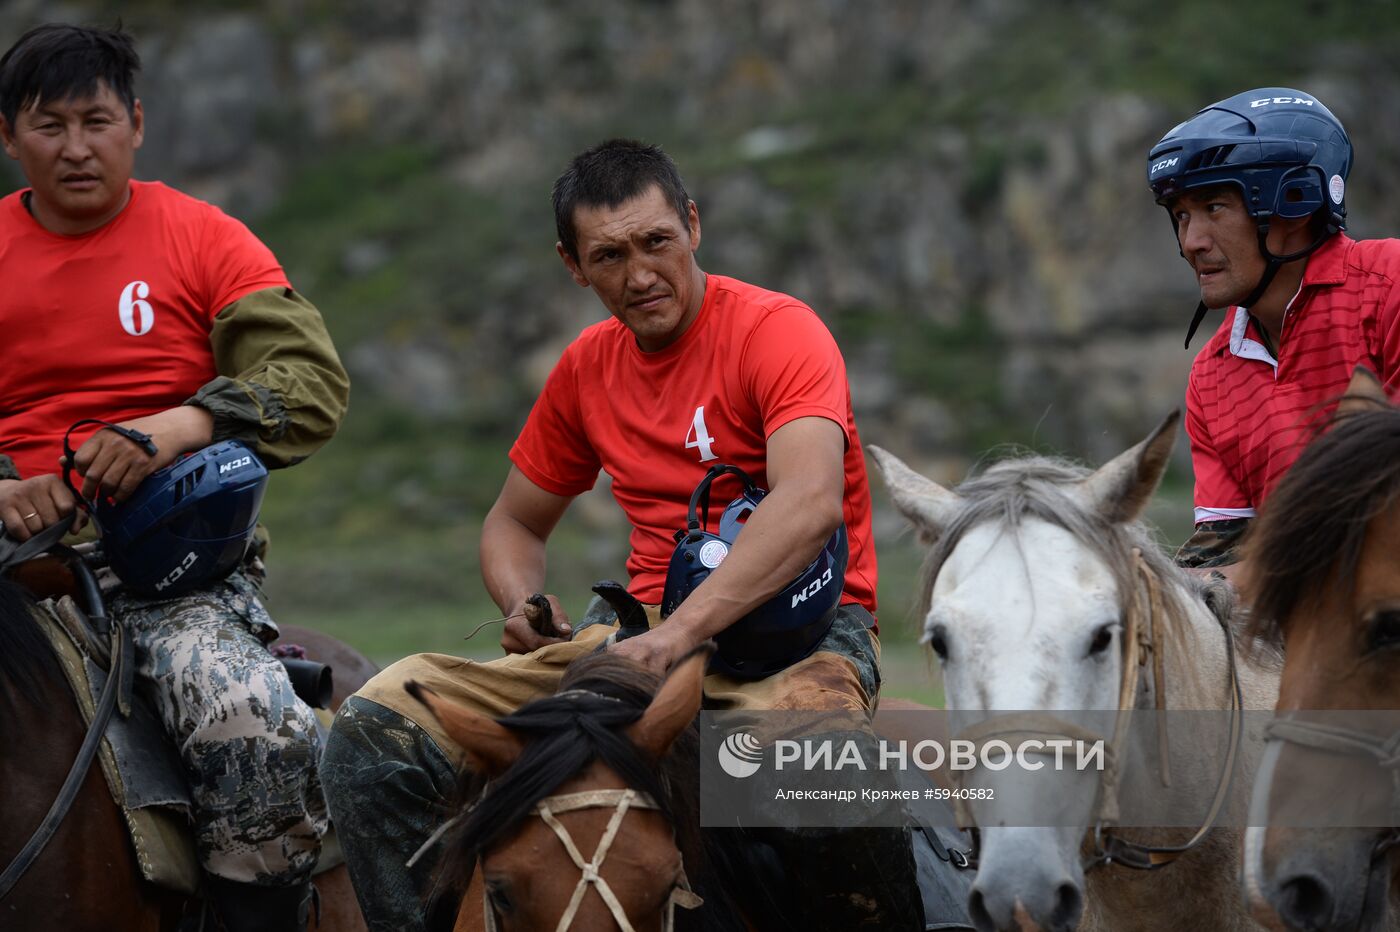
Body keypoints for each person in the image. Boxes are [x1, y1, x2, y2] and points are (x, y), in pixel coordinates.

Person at [321, 139, 923, 930]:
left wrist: (680, 636)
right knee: (372, 732)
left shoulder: (779, 331)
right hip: (636, 639)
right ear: (574, 265)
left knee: (842, 785)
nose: (639, 275)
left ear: (694, 226)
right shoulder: (585, 368)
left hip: (799, 641)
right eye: (609, 255)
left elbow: (809, 504)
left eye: (655, 242)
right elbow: (512, 521)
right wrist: (522, 599)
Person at [0, 23, 349, 931]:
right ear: (9, 137)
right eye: (49, 127)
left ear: (137, 124)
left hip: (167, 571)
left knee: (254, 725)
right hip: (7, 558)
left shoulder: (203, 237)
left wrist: (177, 427)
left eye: (96, 121)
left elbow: (310, 384)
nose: (76, 148)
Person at [1146, 87, 1400, 571]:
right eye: (1181, 215)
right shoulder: (1210, 378)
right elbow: (1221, 565)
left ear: (1296, 200)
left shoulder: (1391, 285)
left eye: (1214, 207)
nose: (1192, 241)